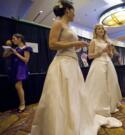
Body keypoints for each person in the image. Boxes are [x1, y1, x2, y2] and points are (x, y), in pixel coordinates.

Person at [31, 1, 102, 135]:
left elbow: (67, 44)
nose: (75, 14)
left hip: (72, 63)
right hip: (62, 63)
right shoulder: (58, 23)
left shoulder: (69, 26)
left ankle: (74, 122)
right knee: (60, 96)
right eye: (73, 11)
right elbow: (52, 44)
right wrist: (75, 42)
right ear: (67, 11)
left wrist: (78, 45)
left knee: (74, 95)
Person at [85, 24, 122, 128]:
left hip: (108, 63)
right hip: (98, 64)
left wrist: (110, 50)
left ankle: (110, 106)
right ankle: (99, 107)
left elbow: (110, 55)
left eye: (102, 29)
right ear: (95, 31)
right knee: (99, 86)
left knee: (111, 84)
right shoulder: (93, 41)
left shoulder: (106, 42)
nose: (101, 30)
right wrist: (102, 51)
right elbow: (90, 55)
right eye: (98, 29)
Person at [3, 34, 32, 112]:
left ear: (19, 39)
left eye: (14, 38)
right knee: (18, 87)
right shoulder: (15, 48)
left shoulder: (26, 48)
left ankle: (22, 104)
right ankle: (22, 104)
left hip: (20, 69)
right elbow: (4, 56)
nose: (12, 40)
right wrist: (7, 49)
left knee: (18, 86)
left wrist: (16, 53)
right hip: (14, 68)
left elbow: (26, 60)